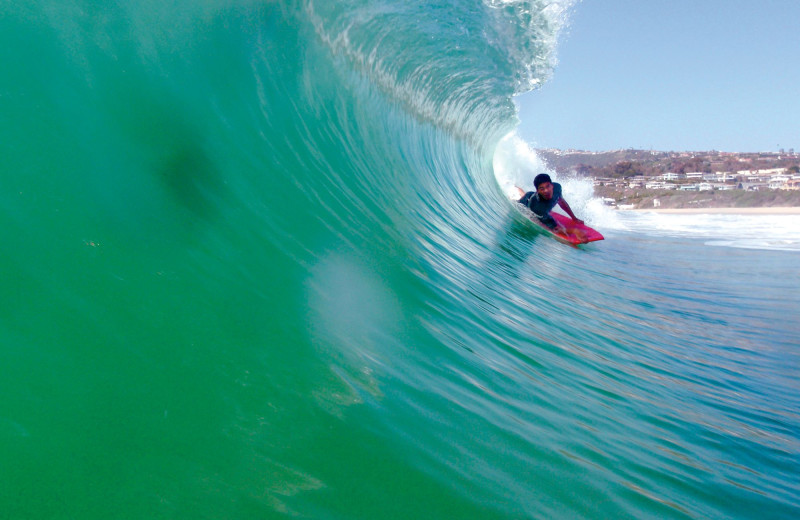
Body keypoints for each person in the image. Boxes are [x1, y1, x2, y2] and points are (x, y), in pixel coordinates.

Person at [514, 173, 584, 237]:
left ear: (552, 185)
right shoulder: (538, 206)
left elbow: (561, 202)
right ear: (538, 191)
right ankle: (514, 191)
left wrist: (574, 218)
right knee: (521, 200)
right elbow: (555, 229)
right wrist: (574, 231)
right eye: (542, 189)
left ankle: (517, 188)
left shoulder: (557, 187)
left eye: (548, 186)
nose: (546, 191)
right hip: (527, 203)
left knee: (526, 195)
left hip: (531, 195)